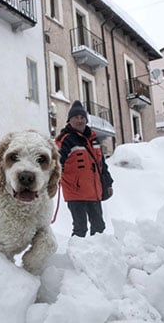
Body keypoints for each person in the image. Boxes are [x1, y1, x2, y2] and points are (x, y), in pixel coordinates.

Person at [55, 100, 114, 237]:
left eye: (82, 117)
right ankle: (76, 256)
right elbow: (57, 161)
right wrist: (54, 177)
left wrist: (108, 183)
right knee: (80, 228)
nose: (80, 120)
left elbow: (102, 165)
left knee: (99, 227)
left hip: (94, 191)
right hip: (75, 193)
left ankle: (99, 254)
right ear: (70, 120)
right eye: (76, 117)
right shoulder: (65, 140)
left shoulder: (93, 139)